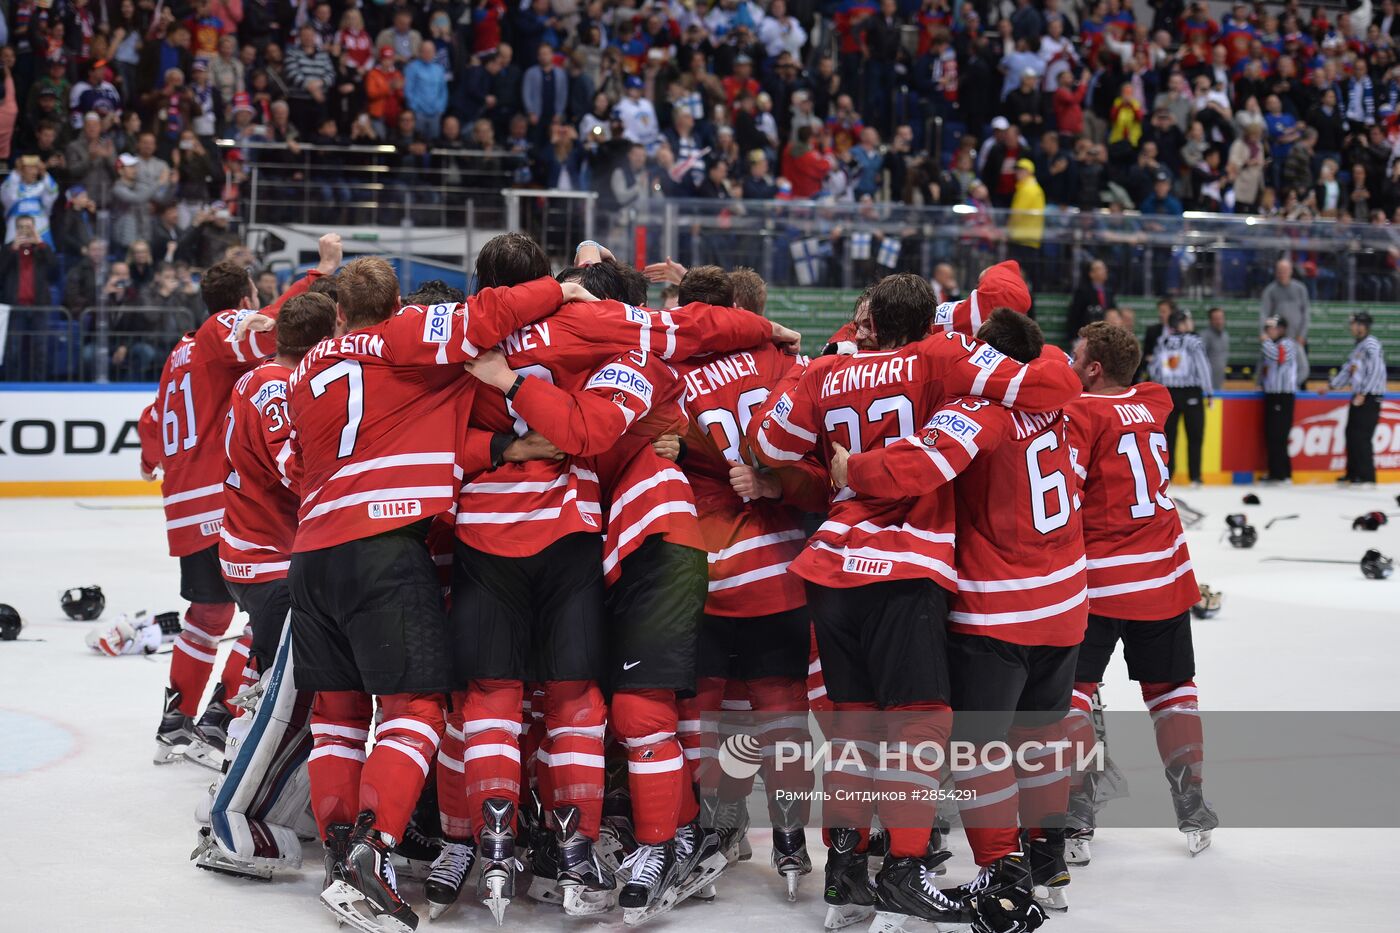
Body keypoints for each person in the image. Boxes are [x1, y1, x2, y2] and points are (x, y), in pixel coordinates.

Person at [751, 275, 1080, 933]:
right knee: (922, 727)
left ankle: (844, 872)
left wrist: (829, 428)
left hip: (832, 566)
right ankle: (908, 871)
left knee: (852, 729)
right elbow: (1041, 391)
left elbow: (769, 444)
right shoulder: (942, 362)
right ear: (931, 323)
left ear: (867, 321)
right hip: (912, 569)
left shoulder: (824, 370)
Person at [279, 256, 594, 932]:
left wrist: (498, 449)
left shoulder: (307, 369)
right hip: (382, 548)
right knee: (416, 709)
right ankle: (374, 853)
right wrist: (557, 287)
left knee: (336, 717)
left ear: (337, 312)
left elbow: (305, 463)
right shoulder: (403, 336)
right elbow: (487, 316)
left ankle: (341, 857)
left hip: (309, 557)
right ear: (396, 306)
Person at [135, 243, 334, 769]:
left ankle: (178, 723)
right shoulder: (221, 330)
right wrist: (318, 276)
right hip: (215, 498)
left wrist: (151, 458)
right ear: (241, 301)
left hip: (183, 498)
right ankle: (224, 718)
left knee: (206, 615)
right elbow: (276, 327)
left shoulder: (180, 351)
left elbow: (152, 418)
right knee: (263, 610)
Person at [1062, 322, 1218, 863]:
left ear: (1094, 368)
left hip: (1100, 581)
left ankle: (1076, 813)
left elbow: (1066, 498)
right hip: (1166, 576)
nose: (1068, 362)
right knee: (1173, 690)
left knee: (1074, 693)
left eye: (1075, 355)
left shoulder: (1079, 414)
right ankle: (1193, 805)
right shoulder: (1156, 399)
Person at [1149, 309, 1214, 486]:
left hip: (1168, 393)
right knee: (1195, 435)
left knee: (1168, 436)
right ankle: (1195, 477)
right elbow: (1203, 366)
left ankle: (1167, 475)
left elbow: (1154, 369)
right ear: (1182, 323)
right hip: (1191, 392)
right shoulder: (1193, 341)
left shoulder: (1162, 342)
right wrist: (1209, 392)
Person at [1328, 311, 1387, 487]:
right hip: (1359, 395)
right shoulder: (1358, 347)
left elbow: (1376, 370)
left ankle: (1366, 476)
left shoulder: (1371, 344)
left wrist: (1364, 393)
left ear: (1362, 325)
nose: (1351, 327)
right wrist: (1332, 386)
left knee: (1362, 436)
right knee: (1351, 434)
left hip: (1369, 397)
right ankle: (1353, 474)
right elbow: (1348, 370)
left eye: (1354, 324)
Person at [1258, 316, 1300, 483]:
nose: (1269, 331)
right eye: (1267, 328)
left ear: (1282, 329)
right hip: (1272, 395)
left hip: (1283, 396)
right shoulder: (1273, 345)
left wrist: (1265, 342)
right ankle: (1276, 472)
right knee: (1271, 435)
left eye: (1272, 328)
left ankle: (1282, 474)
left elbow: (1278, 358)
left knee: (1279, 435)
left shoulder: (1287, 344)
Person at [1008, 157, 1045, 287]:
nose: (1018, 173)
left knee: (1021, 276)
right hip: (1029, 239)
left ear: (1029, 172)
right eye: (1017, 170)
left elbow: (1016, 215)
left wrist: (1008, 231)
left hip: (1022, 239)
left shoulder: (1027, 189)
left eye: (1021, 170)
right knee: (1028, 276)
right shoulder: (1032, 188)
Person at [1065, 259, 1117, 343]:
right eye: (1100, 269)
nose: (1105, 271)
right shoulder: (1082, 292)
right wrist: (1075, 336)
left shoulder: (1109, 292)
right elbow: (1075, 314)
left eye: (1104, 268)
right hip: (1085, 336)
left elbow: (1112, 311)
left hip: (1105, 337)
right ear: (1091, 274)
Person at [1200, 307, 1230, 391]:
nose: (1219, 322)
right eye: (1216, 319)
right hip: (1206, 385)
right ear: (1210, 321)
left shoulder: (1225, 336)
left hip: (1219, 383)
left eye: (1221, 318)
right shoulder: (1204, 337)